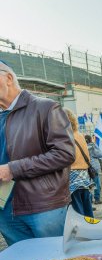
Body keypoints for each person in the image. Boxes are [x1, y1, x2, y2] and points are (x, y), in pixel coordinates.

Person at [0, 60, 75, 246]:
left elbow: (64, 154)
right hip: (5, 210)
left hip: (43, 207)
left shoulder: (46, 108)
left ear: (8, 78)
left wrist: (12, 169)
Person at [64, 108, 94, 217]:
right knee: (87, 212)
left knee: (77, 215)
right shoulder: (80, 135)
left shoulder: (66, 137)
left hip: (72, 178)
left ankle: (82, 234)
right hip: (84, 177)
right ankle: (91, 232)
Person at [85, 134, 102, 205]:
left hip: (86, 168)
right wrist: (94, 144)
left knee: (89, 185)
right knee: (96, 184)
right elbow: (100, 154)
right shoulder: (92, 147)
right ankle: (97, 199)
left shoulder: (84, 147)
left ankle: (90, 200)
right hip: (94, 169)